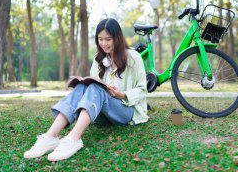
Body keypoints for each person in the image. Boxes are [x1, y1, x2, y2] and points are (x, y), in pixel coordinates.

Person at [24, 18, 148, 161]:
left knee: (95, 88)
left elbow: (142, 89)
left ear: (117, 38)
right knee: (84, 85)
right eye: (100, 39)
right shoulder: (98, 59)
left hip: (126, 111)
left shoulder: (133, 57)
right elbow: (94, 89)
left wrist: (122, 94)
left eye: (108, 39)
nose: (103, 44)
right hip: (103, 114)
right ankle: (50, 136)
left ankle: (74, 139)